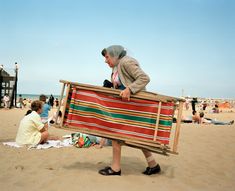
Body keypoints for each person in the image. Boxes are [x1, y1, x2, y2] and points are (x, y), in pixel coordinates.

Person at [98, 45, 161, 176]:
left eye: (107, 57)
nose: (105, 60)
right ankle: (153, 165)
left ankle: (115, 168)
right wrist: (112, 86)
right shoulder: (116, 67)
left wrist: (129, 89)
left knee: (115, 133)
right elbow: (123, 84)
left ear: (114, 55)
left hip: (135, 106)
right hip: (127, 106)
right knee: (137, 135)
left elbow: (144, 78)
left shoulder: (126, 62)